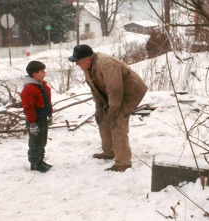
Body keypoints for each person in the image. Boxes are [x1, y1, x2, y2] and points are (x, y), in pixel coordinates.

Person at [68, 44, 148, 172]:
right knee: (103, 117)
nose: (76, 64)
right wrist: (99, 108)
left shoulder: (107, 64)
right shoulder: (88, 67)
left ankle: (123, 162)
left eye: (78, 61)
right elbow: (95, 89)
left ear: (87, 59)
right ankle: (109, 151)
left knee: (117, 120)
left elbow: (115, 90)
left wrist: (114, 112)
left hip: (130, 91)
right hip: (113, 93)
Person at [20, 61, 53, 173]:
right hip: (35, 120)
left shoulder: (42, 86)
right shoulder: (29, 89)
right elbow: (28, 107)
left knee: (42, 141)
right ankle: (34, 163)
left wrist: (50, 114)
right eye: (42, 71)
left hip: (43, 118)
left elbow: (48, 102)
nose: (44, 73)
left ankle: (40, 160)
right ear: (34, 75)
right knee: (35, 142)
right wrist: (32, 123)